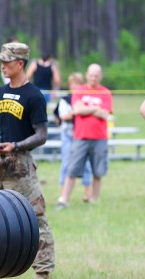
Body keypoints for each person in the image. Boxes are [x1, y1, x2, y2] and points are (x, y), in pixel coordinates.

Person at [0, 42, 55, 279]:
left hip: (20, 164)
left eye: (7, 62)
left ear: (20, 63)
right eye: (1, 61)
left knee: (35, 217)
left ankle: (42, 274)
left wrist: (18, 145)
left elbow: (42, 134)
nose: (2, 66)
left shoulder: (33, 95)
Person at [58, 64, 112, 208]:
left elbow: (105, 113)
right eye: (91, 75)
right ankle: (64, 200)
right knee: (72, 169)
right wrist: (95, 109)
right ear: (87, 75)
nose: (93, 78)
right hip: (80, 137)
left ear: (100, 76)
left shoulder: (105, 92)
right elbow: (77, 110)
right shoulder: (79, 90)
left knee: (97, 171)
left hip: (99, 137)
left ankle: (94, 200)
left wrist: (86, 108)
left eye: (96, 75)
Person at [56, 72, 92, 203]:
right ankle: (63, 192)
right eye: (73, 84)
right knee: (66, 163)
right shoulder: (65, 99)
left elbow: (89, 114)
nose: (75, 86)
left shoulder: (85, 99)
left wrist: (81, 111)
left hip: (82, 134)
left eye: (78, 84)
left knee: (86, 164)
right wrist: (79, 111)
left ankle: (88, 192)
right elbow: (64, 116)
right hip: (68, 135)